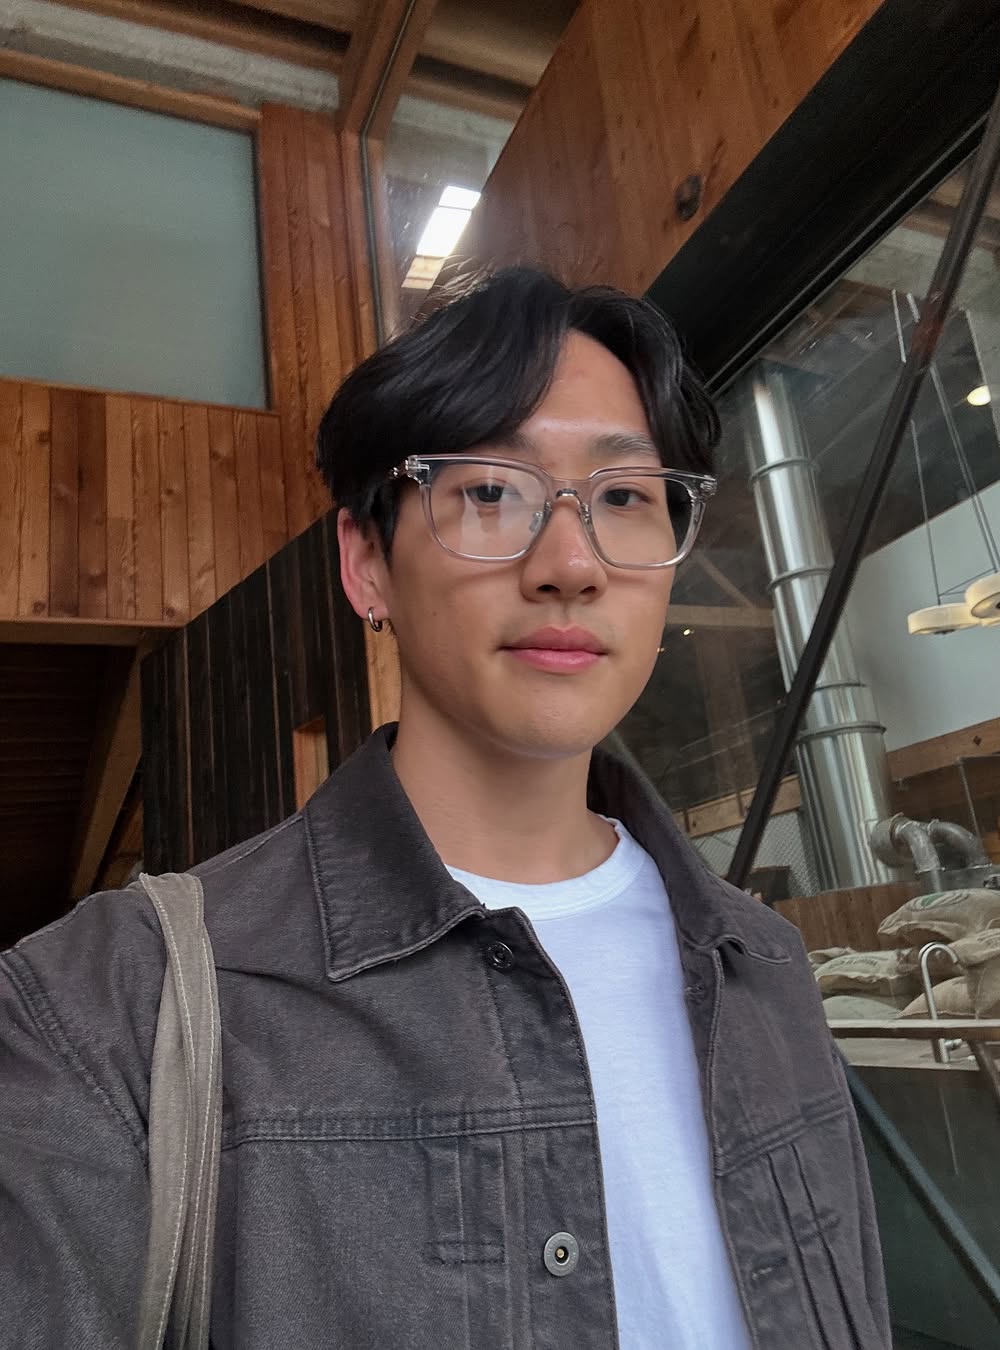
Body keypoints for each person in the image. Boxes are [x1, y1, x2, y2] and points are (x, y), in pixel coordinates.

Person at [1, 267, 888, 1349]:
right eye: (491, 492)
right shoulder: (111, 1011)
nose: (571, 565)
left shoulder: (766, 967)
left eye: (624, 497)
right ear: (367, 564)